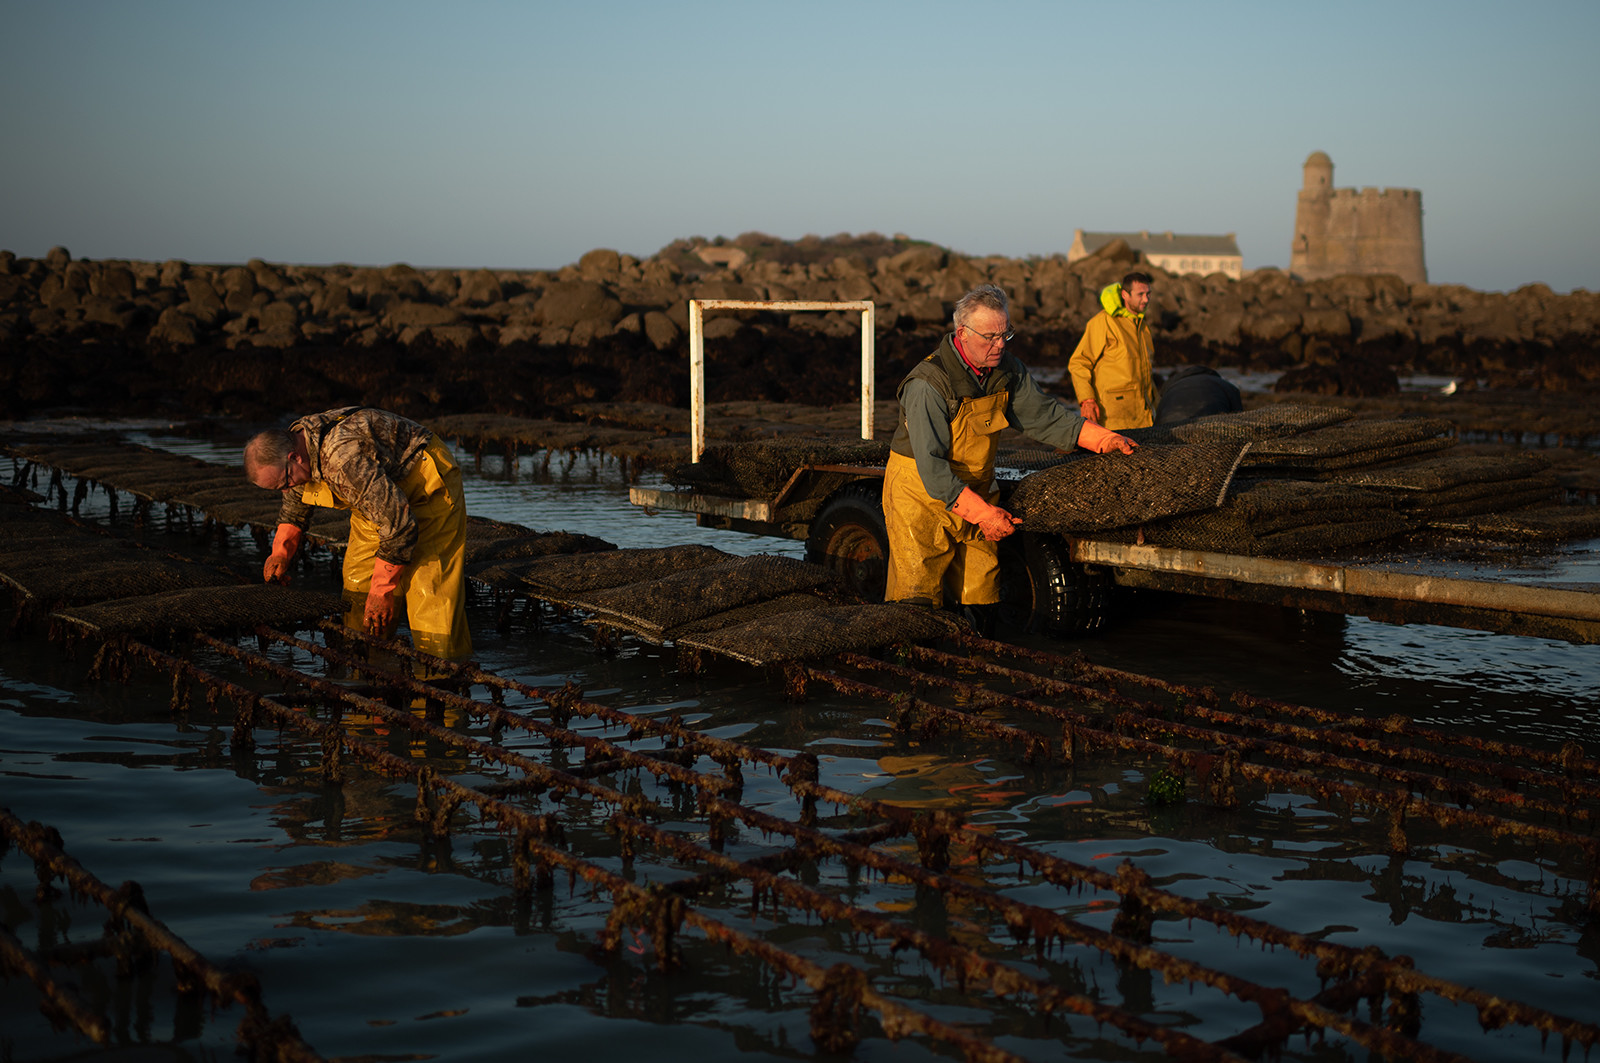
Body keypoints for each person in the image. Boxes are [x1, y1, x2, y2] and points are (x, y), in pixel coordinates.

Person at [883, 285, 1136, 622]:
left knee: (981, 590)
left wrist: (1105, 440)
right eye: (991, 336)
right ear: (962, 334)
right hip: (920, 497)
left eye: (1006, 334)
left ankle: (977, 656)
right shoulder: (928, 385)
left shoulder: (1007, 370)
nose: (1000, 344)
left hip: (977, 488)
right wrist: (984, 515)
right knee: (917, 597)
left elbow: (1045, 417)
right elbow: (932, 469)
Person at [244, 406, 472, 662]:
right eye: (279, 488)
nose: (286, 491)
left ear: (294, 457)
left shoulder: (343, 462)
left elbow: (399, 525)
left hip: (426, 483)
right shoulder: (298, 441)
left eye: (285, 483)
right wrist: (280, 553)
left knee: (430, 594)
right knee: (358, 587)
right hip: (375, 496)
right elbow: (296, 501)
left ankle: (444, 676)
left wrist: (382, 591)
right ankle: (368, 667)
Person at [1069, 270, 1158, 430]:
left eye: (1148, 294)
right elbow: (1079, 362)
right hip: (1113, 417)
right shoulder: (1103, 322)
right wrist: (1087, 400)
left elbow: (1147, 374)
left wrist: (1158, 407)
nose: (1146, 299)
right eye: (1140, 294)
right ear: (1125, 295)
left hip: (1143, 417)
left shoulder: (1142, 327)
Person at [1154, 365, 1243, 425]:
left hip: (1169, 428)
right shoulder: (1225, 385)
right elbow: (1239, 421)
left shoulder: (1168, 392)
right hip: (1211, 428)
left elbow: (1157, 422)